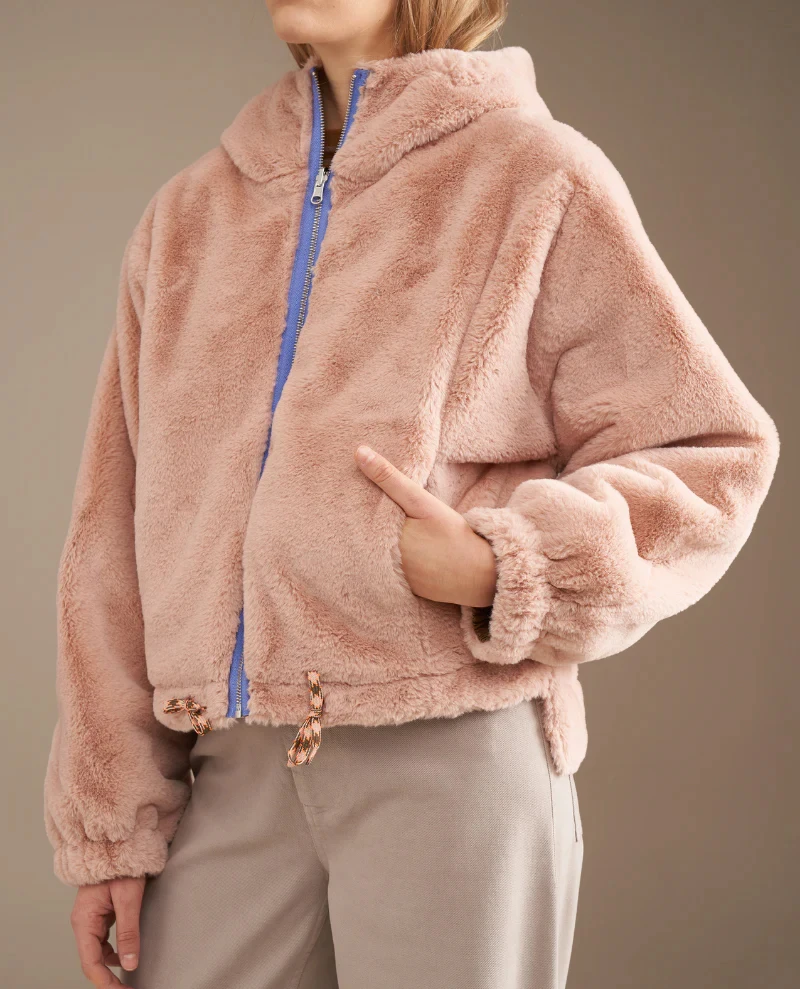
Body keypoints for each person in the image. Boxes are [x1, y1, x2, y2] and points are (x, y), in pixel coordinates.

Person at [45, 1, 780, 987]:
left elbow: (708, 447)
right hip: (230, 765)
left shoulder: (533, 175)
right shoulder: (190, 218)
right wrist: (112, 826)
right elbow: (110, 536)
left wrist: (507, 566)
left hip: (449, 755)